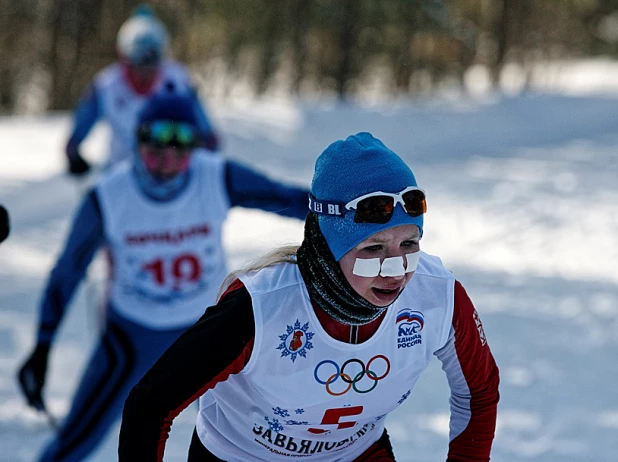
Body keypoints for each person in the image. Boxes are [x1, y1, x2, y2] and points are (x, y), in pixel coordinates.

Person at [118, 132, 500, 461]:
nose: (395, 268)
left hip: (355, 454)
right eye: (371, 249)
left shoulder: (436, 295)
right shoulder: (260, 306)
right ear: (329, 246)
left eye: (409, 243)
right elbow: (150, 406)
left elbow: (479, 392)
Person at [16, 90, 309, 462]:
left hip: (207, 328)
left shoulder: (215, 175)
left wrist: (348, 216)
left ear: (196, 147)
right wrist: (42, 346)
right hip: (133, 334)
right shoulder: (109, 195)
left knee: (264, 437)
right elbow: (68, 272)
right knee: (77, 439)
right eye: (155, 143)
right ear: (137, 141)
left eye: (182, 144)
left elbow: (289, 198)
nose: (168, 157)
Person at [65, 5, 219, 176]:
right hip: (121, 174)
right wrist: (73, 152)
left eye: (152, 62)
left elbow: (206, 132)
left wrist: (206, 151)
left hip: (170, 175)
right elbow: (82, 122)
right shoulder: (106, 86)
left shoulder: (178, 81)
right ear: (124, 57)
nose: (145, 72)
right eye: (139, 61)